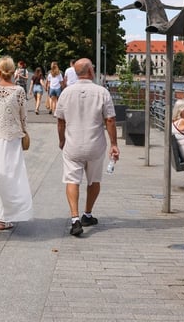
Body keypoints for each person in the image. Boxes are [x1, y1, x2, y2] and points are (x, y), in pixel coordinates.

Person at [55, 58, 119, 237]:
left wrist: (61, 140)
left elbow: (60, 121)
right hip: (95, 144)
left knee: (72, 180)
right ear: (91, 72)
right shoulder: (102, 92)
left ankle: (74, 219)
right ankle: (87, 214)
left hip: (72, 144)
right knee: (94, 181)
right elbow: (110, 120)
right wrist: (114, 144)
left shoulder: (66, 93)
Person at [0, 56, 33, 231]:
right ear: (13, 72)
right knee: (10, 175)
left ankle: (1, 215)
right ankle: (6, 215)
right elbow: (23, 116)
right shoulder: (18, 91)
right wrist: (25, 131)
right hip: (11, 138)